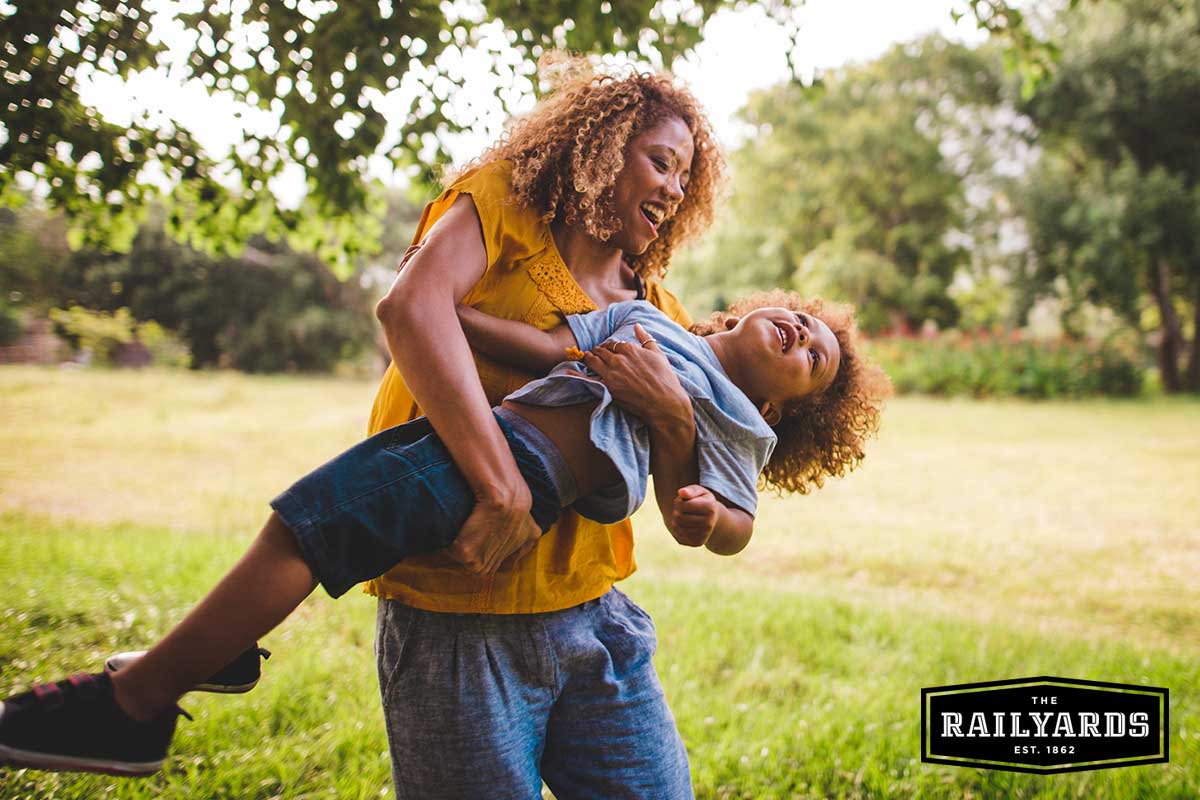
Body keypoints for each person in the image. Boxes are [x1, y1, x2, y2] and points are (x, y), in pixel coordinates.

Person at [0, 292, 889, 779]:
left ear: (781, 405)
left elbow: (729, 521)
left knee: (311, 524)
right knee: (322, 518)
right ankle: (203, 656)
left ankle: (143, 700)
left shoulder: (741, 424)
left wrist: (708, 515)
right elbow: (547, 350)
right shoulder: (646, 318)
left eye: (815, 359)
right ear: (745, 312)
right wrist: (449, 314)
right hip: (481, 441)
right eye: (806, 322)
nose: (806, 335)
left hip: (519, 474)